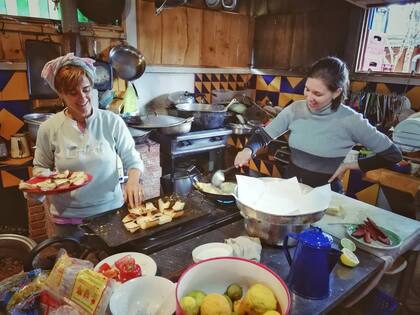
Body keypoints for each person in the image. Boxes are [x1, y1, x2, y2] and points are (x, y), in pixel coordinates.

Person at [235, 56, 402, 192]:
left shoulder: (351, 121)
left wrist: (349, 165)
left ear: (336, 92)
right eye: (307, 89)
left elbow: (393, 155)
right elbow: (264, 135)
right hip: (291, 190)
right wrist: (248, 150)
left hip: (325, 197)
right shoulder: (295, 109)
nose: (309, 97)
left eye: (318, 93)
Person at [31, 53, 144, 238]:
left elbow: (133, 159)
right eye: (72, 93)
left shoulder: (111, 121)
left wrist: (133, 180)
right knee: (72, 265)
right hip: (68, 219)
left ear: (92, 86)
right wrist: (38, 186)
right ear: (61, 94)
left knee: (112, 264)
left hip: (110, 213)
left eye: (85, 89)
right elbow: (40, 167)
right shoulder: (49, 128)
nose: (82, 98)